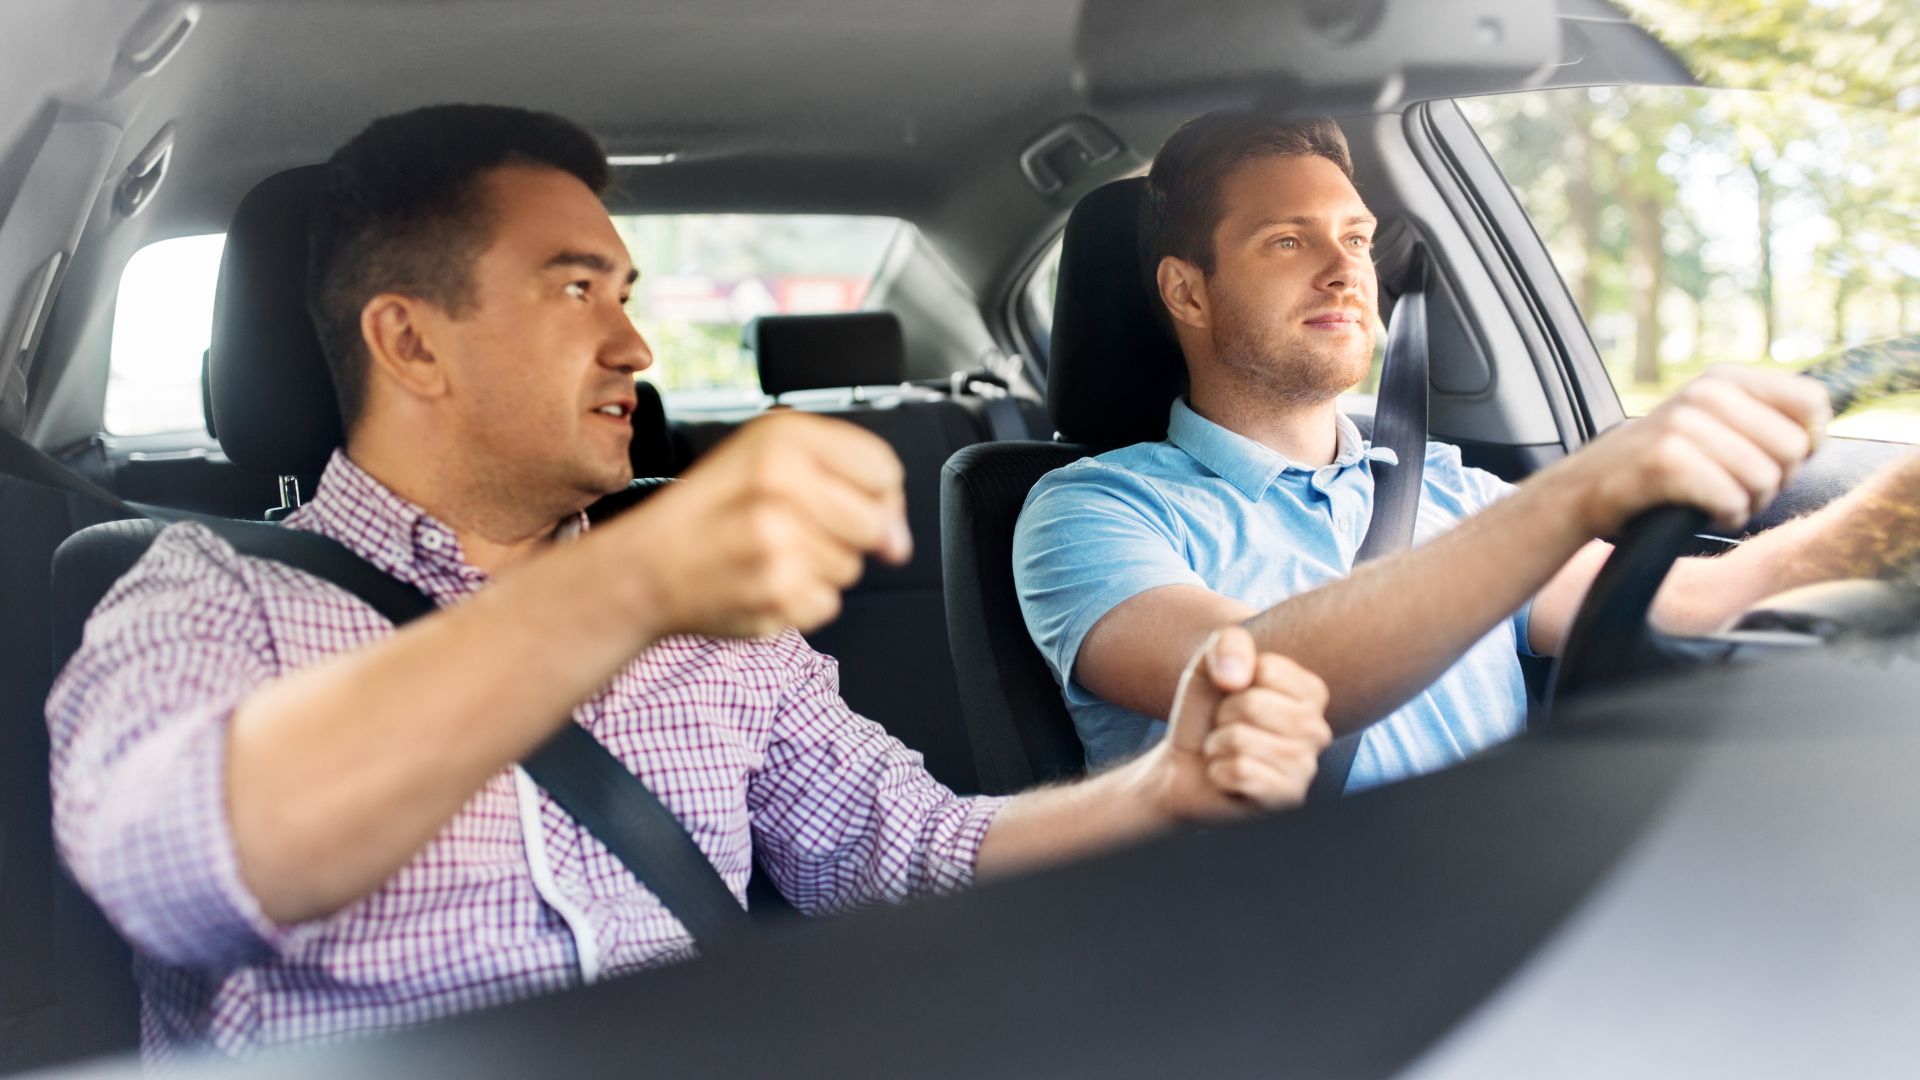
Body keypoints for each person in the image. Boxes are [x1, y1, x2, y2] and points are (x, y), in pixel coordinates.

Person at [46, 104, 1333, 1059]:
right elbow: (184, 868)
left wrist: (1162, 788)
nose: (637, 345)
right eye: (576, 289)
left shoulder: (716, 627)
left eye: (628, 292)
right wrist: (627, 586)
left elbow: (916, 853)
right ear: (409, 340)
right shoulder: (197, 596)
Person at [1015, 111, 1920, 790]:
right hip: (1282, 960)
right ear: (1189, 292)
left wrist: (1904, 504)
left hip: (1515, 902)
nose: (1344, 270)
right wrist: (1567, 498)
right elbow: (1257, 677)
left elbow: (1699, 600)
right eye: (1287, 241)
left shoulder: (1445, 488)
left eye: (1358, 238)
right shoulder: (1091, 510)